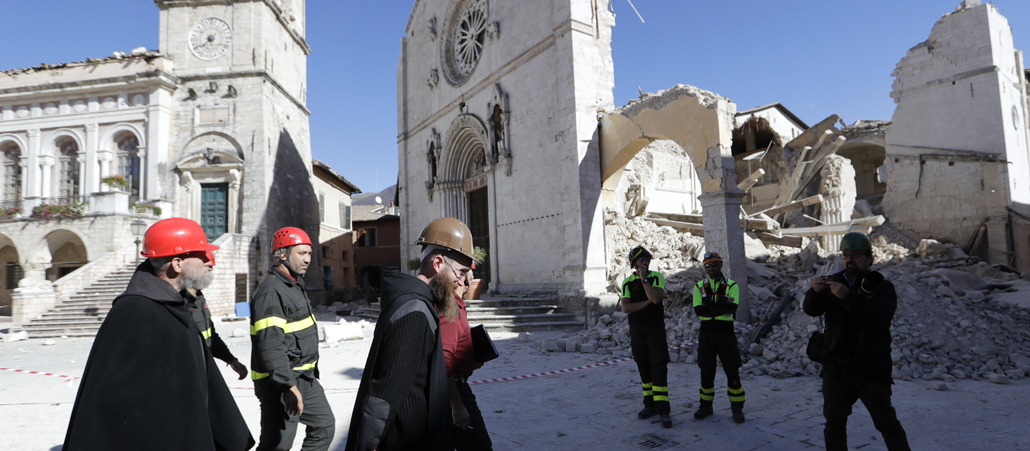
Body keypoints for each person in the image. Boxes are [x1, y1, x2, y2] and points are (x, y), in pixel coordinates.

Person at [63, 218, 253, 451]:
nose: (207, 260)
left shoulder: (177, 305)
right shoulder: (135, 311)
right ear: (177, 263)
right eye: (201, 255)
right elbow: (115, 404)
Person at [345, 217, 471, 451]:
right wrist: (367, 444)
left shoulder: (420, 304)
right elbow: (385, 391)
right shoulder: (415, 312)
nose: (463, 281)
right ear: (438, 262)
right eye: (461, 272)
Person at [803, 232, 911, 451]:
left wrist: (849, 297)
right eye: (845, 255)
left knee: (886, 423)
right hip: (836, 368)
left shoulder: (882, 287)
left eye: (856, 255)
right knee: (833, 424)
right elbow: (811, 310)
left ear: (869, 258)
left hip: (870, 368)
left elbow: (880, 318)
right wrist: (813, 292)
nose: (849, 259)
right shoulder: (834, 281)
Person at [251, 227, 335, 451]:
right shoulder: (271, 291)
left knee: (324, 426)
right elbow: (271, 346)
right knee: (277, 446)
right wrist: (287, 386)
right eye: (301, 253)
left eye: (309, 253)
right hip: (280, 382)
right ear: (282, 254)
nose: (307, 259)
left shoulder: (294, 285)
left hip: (305, 378)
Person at [620, 246, 672, 428]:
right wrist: (646, 302)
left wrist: (644, 281)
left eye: (647, 259)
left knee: (658, 367)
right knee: (644, 368)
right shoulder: (627, 283)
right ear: (634, 262)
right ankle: (649, 406)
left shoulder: (656, 277)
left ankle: (663, 410)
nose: (645, 262)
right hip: (637, 331)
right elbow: (626, 307)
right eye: (641, 260)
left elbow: (656, 298)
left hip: (655, 330)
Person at [443, 263, 493, 450]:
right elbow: (443, 360)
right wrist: (457, 406)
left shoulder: (457, 306)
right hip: (455, 391)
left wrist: (469, 361)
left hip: (458, 384)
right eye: (466, 276)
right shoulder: (450, 309)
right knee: (479, 445)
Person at [692, 252, 746, 423]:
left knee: (732, 370)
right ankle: (705, 406)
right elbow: (699, 311)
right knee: (706, 372)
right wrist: (721, 306)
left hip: (725, 333)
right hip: (707, 333)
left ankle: (737, 408)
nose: (710, 268)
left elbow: (732, 309)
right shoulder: (699, 286)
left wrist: (709, 304)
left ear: (721, 265)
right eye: (707, 266)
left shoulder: (732, 285)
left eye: (714, 265)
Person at [186, 251, 248, 380]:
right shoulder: (180, 303)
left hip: (204, 373)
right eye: (208, 269)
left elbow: (211, 337)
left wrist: (231, 360)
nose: (210, 273)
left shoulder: (200, 299)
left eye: (211, 269)